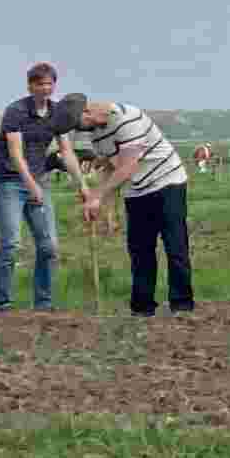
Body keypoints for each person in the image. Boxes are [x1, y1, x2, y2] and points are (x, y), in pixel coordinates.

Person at [62, 97, 194, 318]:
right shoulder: (95, 133)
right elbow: (111, 167)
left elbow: (128, 166)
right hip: (136, 190)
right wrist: (102, 206)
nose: (79, 130)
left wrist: (98, 195)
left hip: (167, 181)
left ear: (87, 113)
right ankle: (142, 308)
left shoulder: (128, 118)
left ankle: (181, 306)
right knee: (140, 250)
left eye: (78, 124)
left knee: (175, 246)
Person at [0, 59, 69, 311]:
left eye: (49, 83)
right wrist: (31, 184)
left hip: (40, 181)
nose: (45, 88)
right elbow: (15, 154)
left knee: (49, 246)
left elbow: (66, 151)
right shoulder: (16, 111)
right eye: (40, 84)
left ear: (54, 85)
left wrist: (84, 186)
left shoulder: (59, 113)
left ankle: (43, 304)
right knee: (11, 244)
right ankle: (3, 303)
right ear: (30, 86)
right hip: (10, 183)